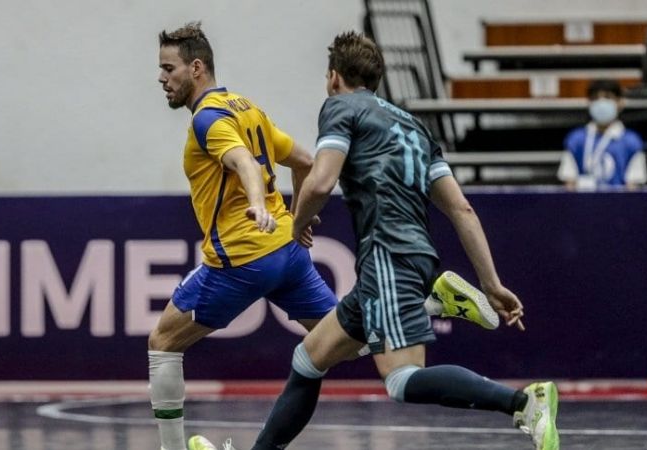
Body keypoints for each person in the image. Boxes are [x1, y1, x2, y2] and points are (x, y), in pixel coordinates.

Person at [195, 31, 558, 450]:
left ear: (334, 76)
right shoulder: (415, 126)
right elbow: (462, 210)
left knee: (401, 379)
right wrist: (491, 283)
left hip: (387, 254)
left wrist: (297, 224)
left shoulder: (340, 107)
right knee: (309, 358)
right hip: (411, 255)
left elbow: (321, 181)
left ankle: (522, 403)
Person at [558, 79, 647, 191]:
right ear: (589, 103)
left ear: (620, 102)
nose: (601, 103)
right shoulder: (576, 139)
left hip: (619, 201)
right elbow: (569, 184)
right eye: (595, 98)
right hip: (583, 200)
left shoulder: (632, 141)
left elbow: (633, 187)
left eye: (608, 97)